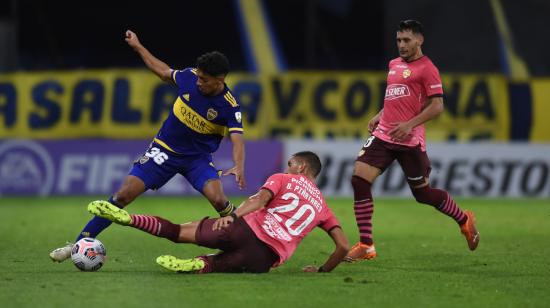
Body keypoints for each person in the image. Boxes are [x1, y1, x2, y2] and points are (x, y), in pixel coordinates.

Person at [50, 30, 246, 262]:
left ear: (219, 80)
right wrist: (138, 46)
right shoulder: (190, 77)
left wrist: (238, 165)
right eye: (198, 76)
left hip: (197, 158)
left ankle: (249, 241)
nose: (198, 81)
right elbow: (163, 71)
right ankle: (78, 244)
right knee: (123, 195)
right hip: (163, 150)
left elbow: (237, 139)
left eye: (204, 79)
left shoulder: (229, 106)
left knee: (218, 200)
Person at [345, 20, 479, 262]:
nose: (401, 45)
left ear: (420, 40)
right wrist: (379, 115)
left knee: (423, 194)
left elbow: (437, 106)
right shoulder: (393, 64)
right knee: (359, 180)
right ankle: (366, 244)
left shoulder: (428, 68)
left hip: (410, 140)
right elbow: (395, 98)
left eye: (406, 40)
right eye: (398, 40)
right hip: (384, 134)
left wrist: (409, 124)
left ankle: (464, 219)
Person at [87, 151, 349, 273]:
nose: (288, 165)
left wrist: (232, 217)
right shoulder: (323, 208)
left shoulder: (284, 178)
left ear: (301, 167)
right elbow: (343, 247)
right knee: (217, 264)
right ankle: (202, 264)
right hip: (264, 259)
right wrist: (323, 271)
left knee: (178, 232)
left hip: (243, 230)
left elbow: (258, 202)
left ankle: (129, 218)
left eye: (291, 163)